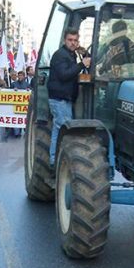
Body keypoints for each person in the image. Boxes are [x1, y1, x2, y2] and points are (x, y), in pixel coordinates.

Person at [47, 28, 92, 165]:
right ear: (64, 40)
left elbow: (88, 61)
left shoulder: (71, 54)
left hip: (65, 99)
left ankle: (54, 160)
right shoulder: (60, 55)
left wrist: (85, 53)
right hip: (59, 99)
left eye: (75, 40)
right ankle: (59, 162)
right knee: (65, 131)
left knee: (58, 129)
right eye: (70, 40)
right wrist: (81, 64)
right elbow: (64, 75)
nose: (73, 43)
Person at [10, 70, 30, 138]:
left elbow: (30, 92)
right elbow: (8, 93)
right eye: (19, 75)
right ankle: (16, 132)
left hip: (24, 106)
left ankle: (25, 131)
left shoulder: (27, 84)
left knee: (24, 119)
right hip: (15, 106)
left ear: (24, 77)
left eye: (21, 75)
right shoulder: (13, 84)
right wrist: (13, 90)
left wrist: (28, 90)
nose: (20, 77)